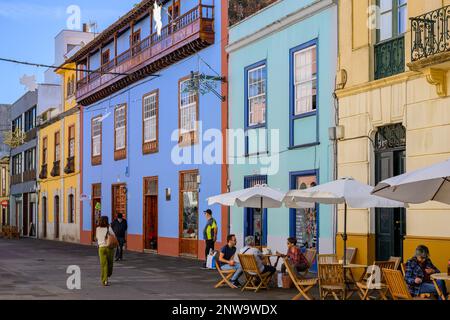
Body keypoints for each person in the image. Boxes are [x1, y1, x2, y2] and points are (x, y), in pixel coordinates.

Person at [96, 216, 115, 286]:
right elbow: (114, 236)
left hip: (101, 248)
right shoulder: (109, 228)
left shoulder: (97, 229)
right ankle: (107, 276)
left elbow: (97, 237)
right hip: (109, 247)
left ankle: (105, 280)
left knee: (103, 265)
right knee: (110, 263)